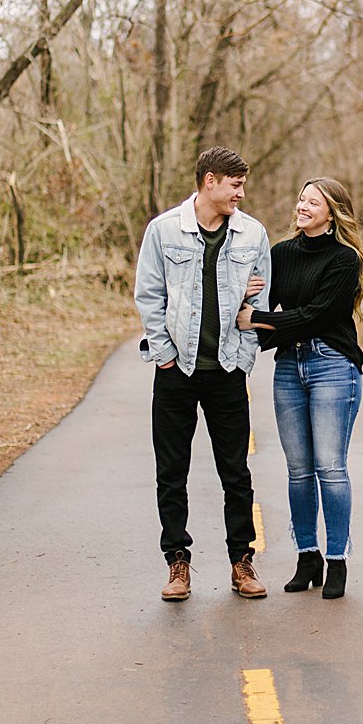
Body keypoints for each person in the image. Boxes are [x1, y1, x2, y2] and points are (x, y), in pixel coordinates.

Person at [134, 146, 274, 602]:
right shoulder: (163, 230)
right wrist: (164, 355)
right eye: (235, 184)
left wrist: (246, 357)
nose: (241, 193)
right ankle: (178, 564)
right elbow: (148, 295)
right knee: (171, 471)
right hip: (176, 371)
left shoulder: (252, 234)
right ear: (210, 181)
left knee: (235, 472)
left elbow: (259, 305)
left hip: (227, 370)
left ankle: (241, 561)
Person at [237, 177, 363, 600]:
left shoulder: (345, 260)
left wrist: (258, 321)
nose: (303, 206)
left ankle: (337, 561)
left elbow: (315, 316)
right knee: (298, 470)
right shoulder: (281, 253)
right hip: (288, 366)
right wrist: (248, 307)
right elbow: (268, 307)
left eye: (313, 202)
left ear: (332, 213)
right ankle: (306, 556)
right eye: (301, 199)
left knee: (330, 468)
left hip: (332, 364)